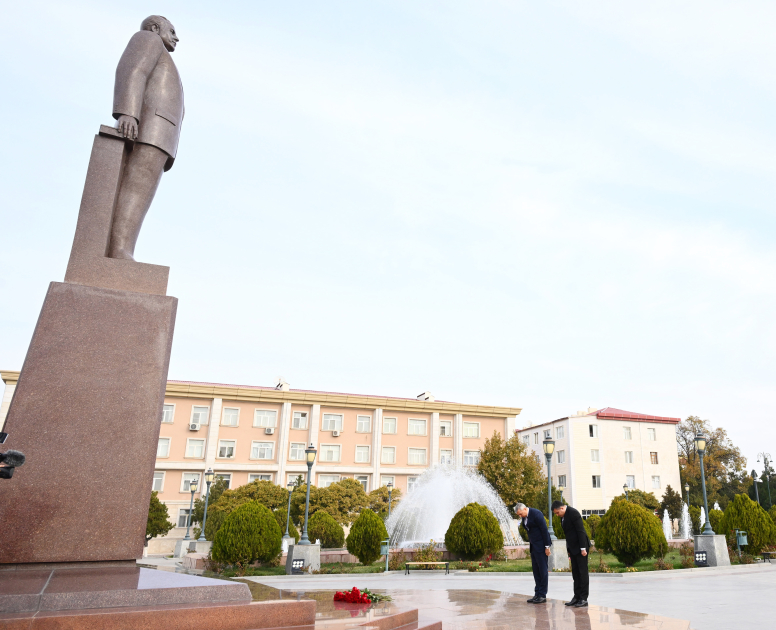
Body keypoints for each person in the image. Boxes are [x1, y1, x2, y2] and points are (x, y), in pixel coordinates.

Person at [110, 15, 184, 260]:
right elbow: (133, 71)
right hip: (149, 129)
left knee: (141, 195)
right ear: (155, 28)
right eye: (171, 31)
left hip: (161, 134)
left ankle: (124, 249)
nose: (176, 37)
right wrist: (128, 113)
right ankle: (119, 250)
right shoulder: (148, 39)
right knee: (134, 191)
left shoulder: (165, 57)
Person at [552, 500, 590, 608]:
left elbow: (580, 531)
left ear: (562, 508)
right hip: (573, 548)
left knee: (582, 573)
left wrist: (583, 548)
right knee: (575, 573)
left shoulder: (573, 513)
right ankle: (576, 596)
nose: (557, 515)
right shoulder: (563, 516)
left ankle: (583, 598)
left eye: (557, 512)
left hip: (581, 547)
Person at [514, 502, 551, 603]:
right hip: (534, 547)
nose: (520, 516)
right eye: (519, 515)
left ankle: (542, 595)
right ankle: (537, 593)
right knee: (536, 571)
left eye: (520, 514)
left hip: (542, 546)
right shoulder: (524, 517)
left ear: (525, 509)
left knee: (543, 571)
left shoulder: (536, 514)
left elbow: (544, 530)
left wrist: (547, 546)